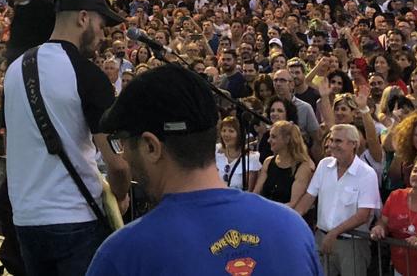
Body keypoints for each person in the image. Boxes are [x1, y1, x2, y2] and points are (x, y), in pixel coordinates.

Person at [86, 65, 320, 276]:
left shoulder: (123, 255)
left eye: (122, 143)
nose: (123, 155)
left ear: (151, 146)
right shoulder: (292, 229)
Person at [4, 0, 130, 276]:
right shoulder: (87, 74)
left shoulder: (14, 70)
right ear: (83, 18)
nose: (103, 35)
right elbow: (119, 165)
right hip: (76, 219)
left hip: (26, 219)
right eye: (101, 25)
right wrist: (120, 197)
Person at [294, 124, 382, 276]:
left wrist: (334, 233)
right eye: (332, 140)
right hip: (321, 239)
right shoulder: (323, 165)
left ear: (353, 144)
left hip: (352, 244)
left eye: (338, 141)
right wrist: (291, 219)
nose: (332, 145)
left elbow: (363, 215)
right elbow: (308, 198)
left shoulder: (367, 174)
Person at [252, 121, 315, 209]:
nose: (268, 140)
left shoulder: (302, 167)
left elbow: (293, 204)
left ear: (287, 139)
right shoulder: (268, 162)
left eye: (273, 137)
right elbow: (256, 193)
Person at [214, 115, 260, 191]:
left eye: (231, 131)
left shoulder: (251, 159)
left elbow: (249, 192)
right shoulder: (217, 152)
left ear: (240, 134)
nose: (226, 134)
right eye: (224, 130)